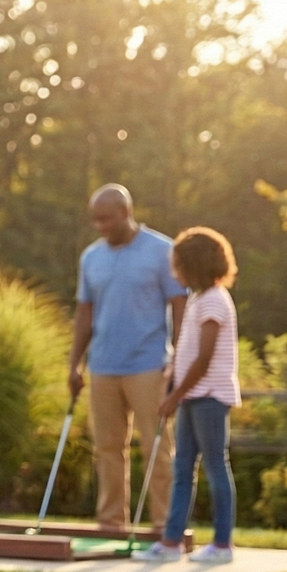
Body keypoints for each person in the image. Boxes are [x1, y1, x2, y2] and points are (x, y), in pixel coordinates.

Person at [66, 184, 186, 534]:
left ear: (125, 212)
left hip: (149, 365)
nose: (100, 226)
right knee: (106, 449)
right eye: (95, 220)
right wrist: (74, 363)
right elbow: (84, 315)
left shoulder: (163, 251)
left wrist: (177, 361)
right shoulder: (91, 257)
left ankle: (165, 527)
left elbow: (180, 308)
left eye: (105, 219)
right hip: (102, 366)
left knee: (158, 449)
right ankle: (111, 524)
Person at [139, 228, 241, 563]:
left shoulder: (213, 300)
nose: (173, 270)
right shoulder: (198, 299)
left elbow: (205, 358)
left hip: (209, 397)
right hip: (191, 396)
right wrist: (173, 377)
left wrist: (174, 396)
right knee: (182, 468)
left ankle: (222, 545)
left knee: (215, 467)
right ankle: (171, 543)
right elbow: (187, 353)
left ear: (193, 265)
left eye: (178, 264)